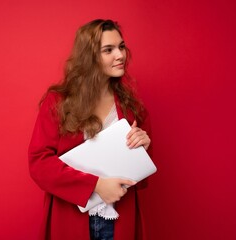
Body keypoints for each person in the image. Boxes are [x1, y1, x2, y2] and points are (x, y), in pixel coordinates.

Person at [28, 19, 152, 240]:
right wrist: (95, 185)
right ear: (90, 57)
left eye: (121, 47)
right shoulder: (58, 102)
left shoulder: (131, 107)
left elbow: (140, 181)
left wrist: (143, 148)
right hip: (70, 219)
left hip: (119, 220)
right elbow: (39, 163)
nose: (120, 55)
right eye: (109, 50)